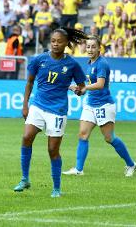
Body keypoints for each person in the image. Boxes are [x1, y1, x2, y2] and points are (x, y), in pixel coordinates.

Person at [13, 28, 87, 198]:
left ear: (66, 43)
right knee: (26, 137)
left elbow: (82, 87)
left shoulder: (72, 64)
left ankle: (56, 188)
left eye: (59, 41)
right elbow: (30, 83)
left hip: (57, 110)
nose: (55, 44)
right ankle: (24, 179)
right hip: (38, 105)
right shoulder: (39, 59)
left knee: (52, 149)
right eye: (53, 41)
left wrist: (79, 91)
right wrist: (25, 105)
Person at [63, 36, 136, 177]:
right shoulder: (90, 63)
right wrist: (79, 88)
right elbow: (90, 83)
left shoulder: (101, 63)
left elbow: (100, 84)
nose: (90, 49)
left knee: (109, 138)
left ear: (99, 48)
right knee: (83, 134)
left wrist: (84, 88)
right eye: (88, 46)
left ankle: (131, 164)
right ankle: (79, 169)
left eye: (93, 46)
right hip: (90, 104)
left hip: (104, 105)